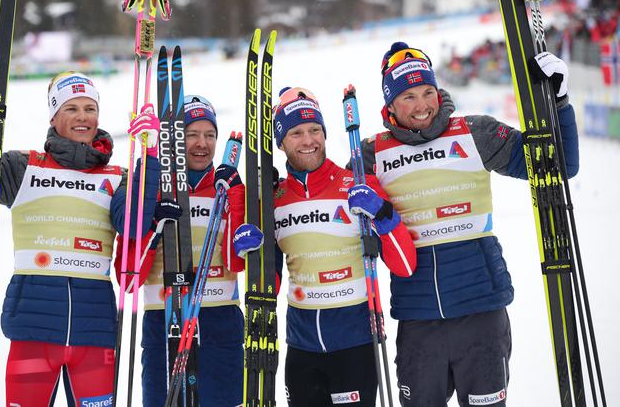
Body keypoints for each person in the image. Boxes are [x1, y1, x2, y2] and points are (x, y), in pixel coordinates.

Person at [363, 42, 579, 406]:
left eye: (428, 92)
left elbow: (559, 165)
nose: (422, 106)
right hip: (418, 320)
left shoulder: (475, 133)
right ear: (390, 105)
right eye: (409, 96)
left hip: (481, 312)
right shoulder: (372, 154)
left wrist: (558, 101)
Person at [0, 68, 161, 406]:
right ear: (54, 116)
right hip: (32, 331)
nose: (83, 117)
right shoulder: (24, 167)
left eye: (90, 108)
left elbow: (133, 225)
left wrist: (151, 159)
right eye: (71, 108)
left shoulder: (119, 177)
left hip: (94, 333)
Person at [233, 87, 417, 407]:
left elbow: (404, 264)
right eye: (296, 133)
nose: (308, 140)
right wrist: (254, 251)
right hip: (301, 348)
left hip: (355, 343)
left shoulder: (357, 184)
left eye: (315, 129)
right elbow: (269, 286)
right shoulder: (274, 200)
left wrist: (383, 215)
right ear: (280, 143)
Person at [116, 95, 246, 406]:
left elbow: (236, 262)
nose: (202, 144)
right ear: (174, 139)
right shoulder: (149, 187)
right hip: (164, 323)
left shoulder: (227, 188)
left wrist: (238, 193)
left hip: (220, 323)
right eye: (191, 134)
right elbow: (128, 279)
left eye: (210, 135)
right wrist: (154, 222)